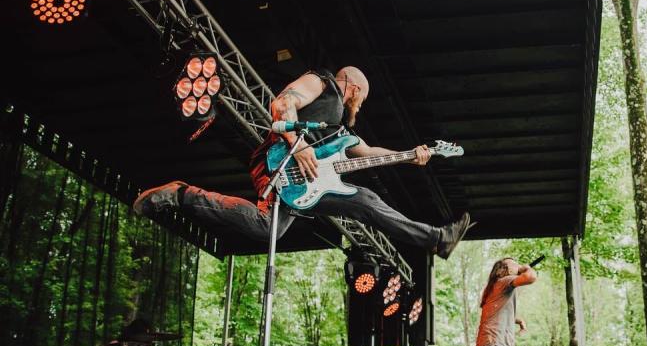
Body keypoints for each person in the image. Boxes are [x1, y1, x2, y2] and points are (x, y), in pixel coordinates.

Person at [133, 67, 471, 258]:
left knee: (272, 229)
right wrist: (298, 144)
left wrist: (412, 156)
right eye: (362, 99)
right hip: (278, 163)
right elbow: (281, 104)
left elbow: (366, 153)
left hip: (311, 185)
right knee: (363, 202)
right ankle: (181, 194)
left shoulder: (339, 130)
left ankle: (435, 238)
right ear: (352, 87)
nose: (361, 106)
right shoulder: (320, 83)